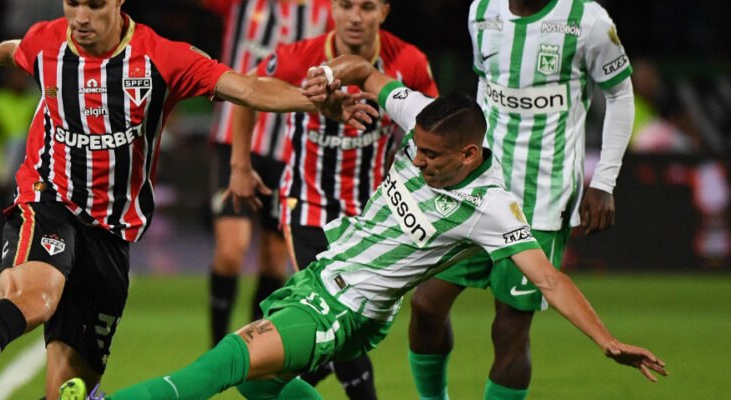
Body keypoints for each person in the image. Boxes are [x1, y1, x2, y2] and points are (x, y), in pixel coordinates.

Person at [57, 56, 666, 400]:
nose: (417, 161)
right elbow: (367, 72)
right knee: (259, 388)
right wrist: (330, 73)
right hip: (318, 280)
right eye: (416, 149)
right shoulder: (420, 118)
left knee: (224, 363)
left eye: (432, 157)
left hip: (347, 309)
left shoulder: (491, 205)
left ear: (469, 155)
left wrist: (606, 340)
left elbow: (550, 279)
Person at [0, 1, 374, 399]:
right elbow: (13, 49)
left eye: (94, 4)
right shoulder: (47, 41)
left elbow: (249, 88)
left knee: (71, 389)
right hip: (48, 199)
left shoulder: (162, 57)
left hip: (112, 231)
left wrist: (315, 103)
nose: (80, 17)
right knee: (35, 298)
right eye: (73, 2)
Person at [407, 1, 637, 399]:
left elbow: (620, 96)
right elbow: (485, 90)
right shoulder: (482, 10)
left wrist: (604, 181)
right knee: (426, 304)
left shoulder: (589, 21)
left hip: (542, 197)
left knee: (509, 328)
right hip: (476, 189)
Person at [227, 0, 436, 397]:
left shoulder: (409, 62)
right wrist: (240, 165)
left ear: (384, 11)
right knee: (339, 309)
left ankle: (274, 386)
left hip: (372, 217)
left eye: (367, 7)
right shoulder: (299, 57)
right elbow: (246, 92)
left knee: (342, 331)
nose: (355, 17)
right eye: (345, 5)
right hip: (308, 207)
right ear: (331, 9)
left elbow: (433, 130)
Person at [200, 0, 334, 350]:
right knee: (231, 249)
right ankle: (216, 349)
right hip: (235, 139)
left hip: (290, 147)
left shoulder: (328, 8)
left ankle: (250, 352)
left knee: (275, 258)